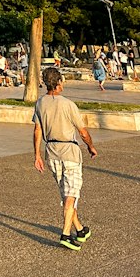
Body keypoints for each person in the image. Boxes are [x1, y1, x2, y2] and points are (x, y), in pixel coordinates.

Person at [33, 67, 97, 251]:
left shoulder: (40, 103)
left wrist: (37, 155)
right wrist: (91, 146)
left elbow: (37, 130)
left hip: (51, 152)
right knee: (71, 194)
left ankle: (80, 229)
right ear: (59, 82)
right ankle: (66, 234)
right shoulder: (68, 104)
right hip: (69, 152)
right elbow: (83, 132)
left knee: (66, 193)